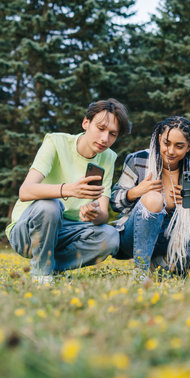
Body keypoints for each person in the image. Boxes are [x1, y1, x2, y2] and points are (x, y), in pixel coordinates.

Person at [6, 98, 130, 284]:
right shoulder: (55, 142)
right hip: (28, 232)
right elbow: (25, 191)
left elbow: (103, 215)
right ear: (86, 123)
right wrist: (69, 190)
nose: (105, 139)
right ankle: (42, 273)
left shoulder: (108, 157)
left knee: (110, 237)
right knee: (50, 205)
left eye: (113, 134)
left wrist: (93, 214)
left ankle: (49, 266)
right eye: (101, 128)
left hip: (66, 231)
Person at [110, 116, 190, 276]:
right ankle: (141, 272)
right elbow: (115, 202)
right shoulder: (139, 159)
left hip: (175, 235)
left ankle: (163, 264)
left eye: (179, 146)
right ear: (159, 139)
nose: (171, 151)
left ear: (188, 147)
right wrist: (137, 191)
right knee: (153, 199)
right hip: (136, 236)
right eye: (166, 143)